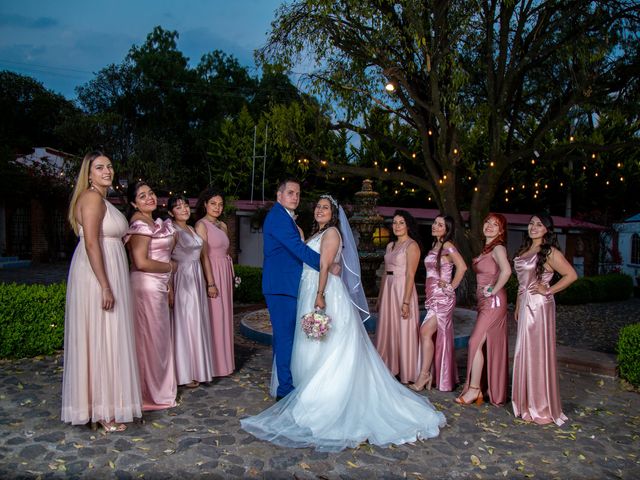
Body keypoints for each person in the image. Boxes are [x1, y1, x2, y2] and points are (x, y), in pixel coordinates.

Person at [241, 195, 446, 451]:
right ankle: (305, 388)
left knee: (326, 344)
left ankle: (324, 396)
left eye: (325, 207)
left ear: (334, 214)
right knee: (310, 342)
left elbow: (325, 266)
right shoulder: (318, 233)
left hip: (323, 293)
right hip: (309, 290)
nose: (319, 210)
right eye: (317, 206)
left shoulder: (333, 234)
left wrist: (319, 295)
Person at [61, 151, 142, 432]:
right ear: (89, 173)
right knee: (102, 336)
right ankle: (103, 410)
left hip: (108, 267)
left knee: (109, 336)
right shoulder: (92, 198)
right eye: (100, 167)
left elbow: (106, 236)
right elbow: (92, 243)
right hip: (98, 273)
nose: (107, 170)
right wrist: (105, 285)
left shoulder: (103, 199)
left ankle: (104, 405)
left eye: (109, 166)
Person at [512, 213, 577, 425]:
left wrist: (549, 289)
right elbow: (522, 283)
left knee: (537, 353)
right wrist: (518, 303)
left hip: (539, 306)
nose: (533, 227)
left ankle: (540, 406)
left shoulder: (549, 252)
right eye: (531, 223)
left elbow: (571, 275)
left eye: (539, 224)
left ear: (547, 229)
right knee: (524, 351)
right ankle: (526, 402)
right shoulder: (524, 250)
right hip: (525, 303)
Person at [260, 179, 320, 399]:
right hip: (280, 286)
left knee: (283, 337)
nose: (295, 197)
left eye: (298, 194)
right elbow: (297, 249)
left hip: (285, 284)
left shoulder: (284, 218)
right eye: (290, 193)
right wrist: (325, 264)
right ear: (279, 195)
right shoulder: (278, 218)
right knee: (285, 338)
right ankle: (285, 389)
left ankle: (281, 382)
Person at [126, 181, 177, 411]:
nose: (149, 198)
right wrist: (170, 268)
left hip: (158, 284)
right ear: (133, 202)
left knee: (159, 340)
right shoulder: (139, 224)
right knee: (150, 341)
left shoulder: (152, 222)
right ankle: (150, 393)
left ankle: (160, 389)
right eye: (142, 195)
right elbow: (140, 262)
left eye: (152, 193)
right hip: (146, 286)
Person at [456, 214, 511, 406]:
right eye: (487, 222)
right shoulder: (487, 249)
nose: (489, 226)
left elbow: (507, 271)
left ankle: (474, 389)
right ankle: (479, 388)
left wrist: (493, 290)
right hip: (484, 302)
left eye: (495, 225)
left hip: (493, 302)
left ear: (501, 230)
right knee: (481, 345)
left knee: (474, 342)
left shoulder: (498, 248)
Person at [411, 214, 467, 392]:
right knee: (428, 334)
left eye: (440, 225)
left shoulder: (448, 246)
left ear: (447, 229)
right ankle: (430, 375)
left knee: (425, 331)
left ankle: (424, 374)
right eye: (434, 222)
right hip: (432, 297)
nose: (435, 226)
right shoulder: (435, 245)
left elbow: (463, 267)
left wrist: (451, 287)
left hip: (442, 298)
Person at [168, 195, 214, 388]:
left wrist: (208, 281)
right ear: (171, 212)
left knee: (196, 321)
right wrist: (169, 286)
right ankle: (184, 373)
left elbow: (202, 256)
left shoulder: (193, 228)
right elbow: (166, 258)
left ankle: (197, 369)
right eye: (179, 207)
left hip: (196, 277)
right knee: (184, 322)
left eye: (186, 206)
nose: (184, 209)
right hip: (182, 277)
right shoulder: (173, 231)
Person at [374, 210, 421, 384]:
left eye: (401, 222)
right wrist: (380, 297)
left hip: (403, 289)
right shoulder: (390, 246)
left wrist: (406, 301)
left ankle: (406, 370)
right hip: (388, 288)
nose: (397, 226)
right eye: (394, 223)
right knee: (389, 327)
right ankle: (389, 366)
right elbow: (386, 272)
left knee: (403, 328)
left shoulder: (412, 246)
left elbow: (410, 275)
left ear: (408, 225)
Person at [195, 188, 235, 377]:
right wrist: (210, 282)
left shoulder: (223, 226)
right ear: (205, 204)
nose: (217, 207)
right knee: (214, 317)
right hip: (212, 272)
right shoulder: (201, 225)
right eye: (213, 203)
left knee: (224, 316)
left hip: (224, 272)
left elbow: (226, 252)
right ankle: (213, 366)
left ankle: (225, 363)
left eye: (220, 204)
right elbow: (203, 256)